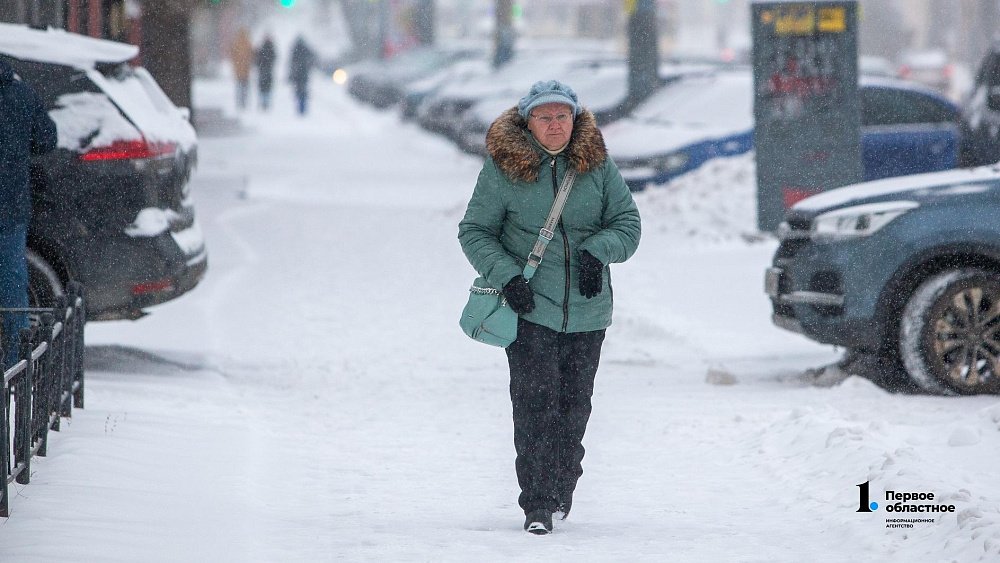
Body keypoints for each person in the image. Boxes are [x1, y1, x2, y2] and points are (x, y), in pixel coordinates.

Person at [458, 80, 641, 535]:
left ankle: (561, 490)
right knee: (536, 406)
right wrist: (508, 277)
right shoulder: (504, 168)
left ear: (575, 119)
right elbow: (475, 231)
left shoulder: (597, 165)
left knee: (574, 409)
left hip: (588, 311)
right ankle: (537, 503)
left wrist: (598, 251)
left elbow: (628, 223)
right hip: (529, 308)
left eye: (563, 116)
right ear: (528, 122)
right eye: (545, 117)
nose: (555, 125)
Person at [0, 59, 57, 369]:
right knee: (12, 287)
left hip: (11, 204)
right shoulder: (21, 94)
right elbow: (47, 139)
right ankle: (15, 364)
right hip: (10, 206)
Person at [288, 35, 317, 115]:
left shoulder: (295, 50)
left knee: (299, 91)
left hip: (298, 74)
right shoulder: (306, 49)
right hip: (303, 74)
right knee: (303, 91)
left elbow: (291, 63)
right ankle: (302, 107)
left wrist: (291, 74)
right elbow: (312, 59)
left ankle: (300, 107)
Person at [228, 27, 254, 111]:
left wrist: (235, 64)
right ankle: (243, 102)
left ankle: (239, 102)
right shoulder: (248, 43)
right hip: (246, 70)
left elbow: (232, 55)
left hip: (238, 70)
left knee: (239, 87)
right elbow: (251, 55)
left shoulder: (236, 43)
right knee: (244, 87)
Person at [255, 34, 277, 112]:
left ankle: (263, 102)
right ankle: (266, 103)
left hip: (262, 71)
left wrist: (260, 65)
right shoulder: (271, 49)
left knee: (262, 88)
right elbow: (274, 59)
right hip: (268, 71)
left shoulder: (261, 48)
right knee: (268, 88)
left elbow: (257, 60)